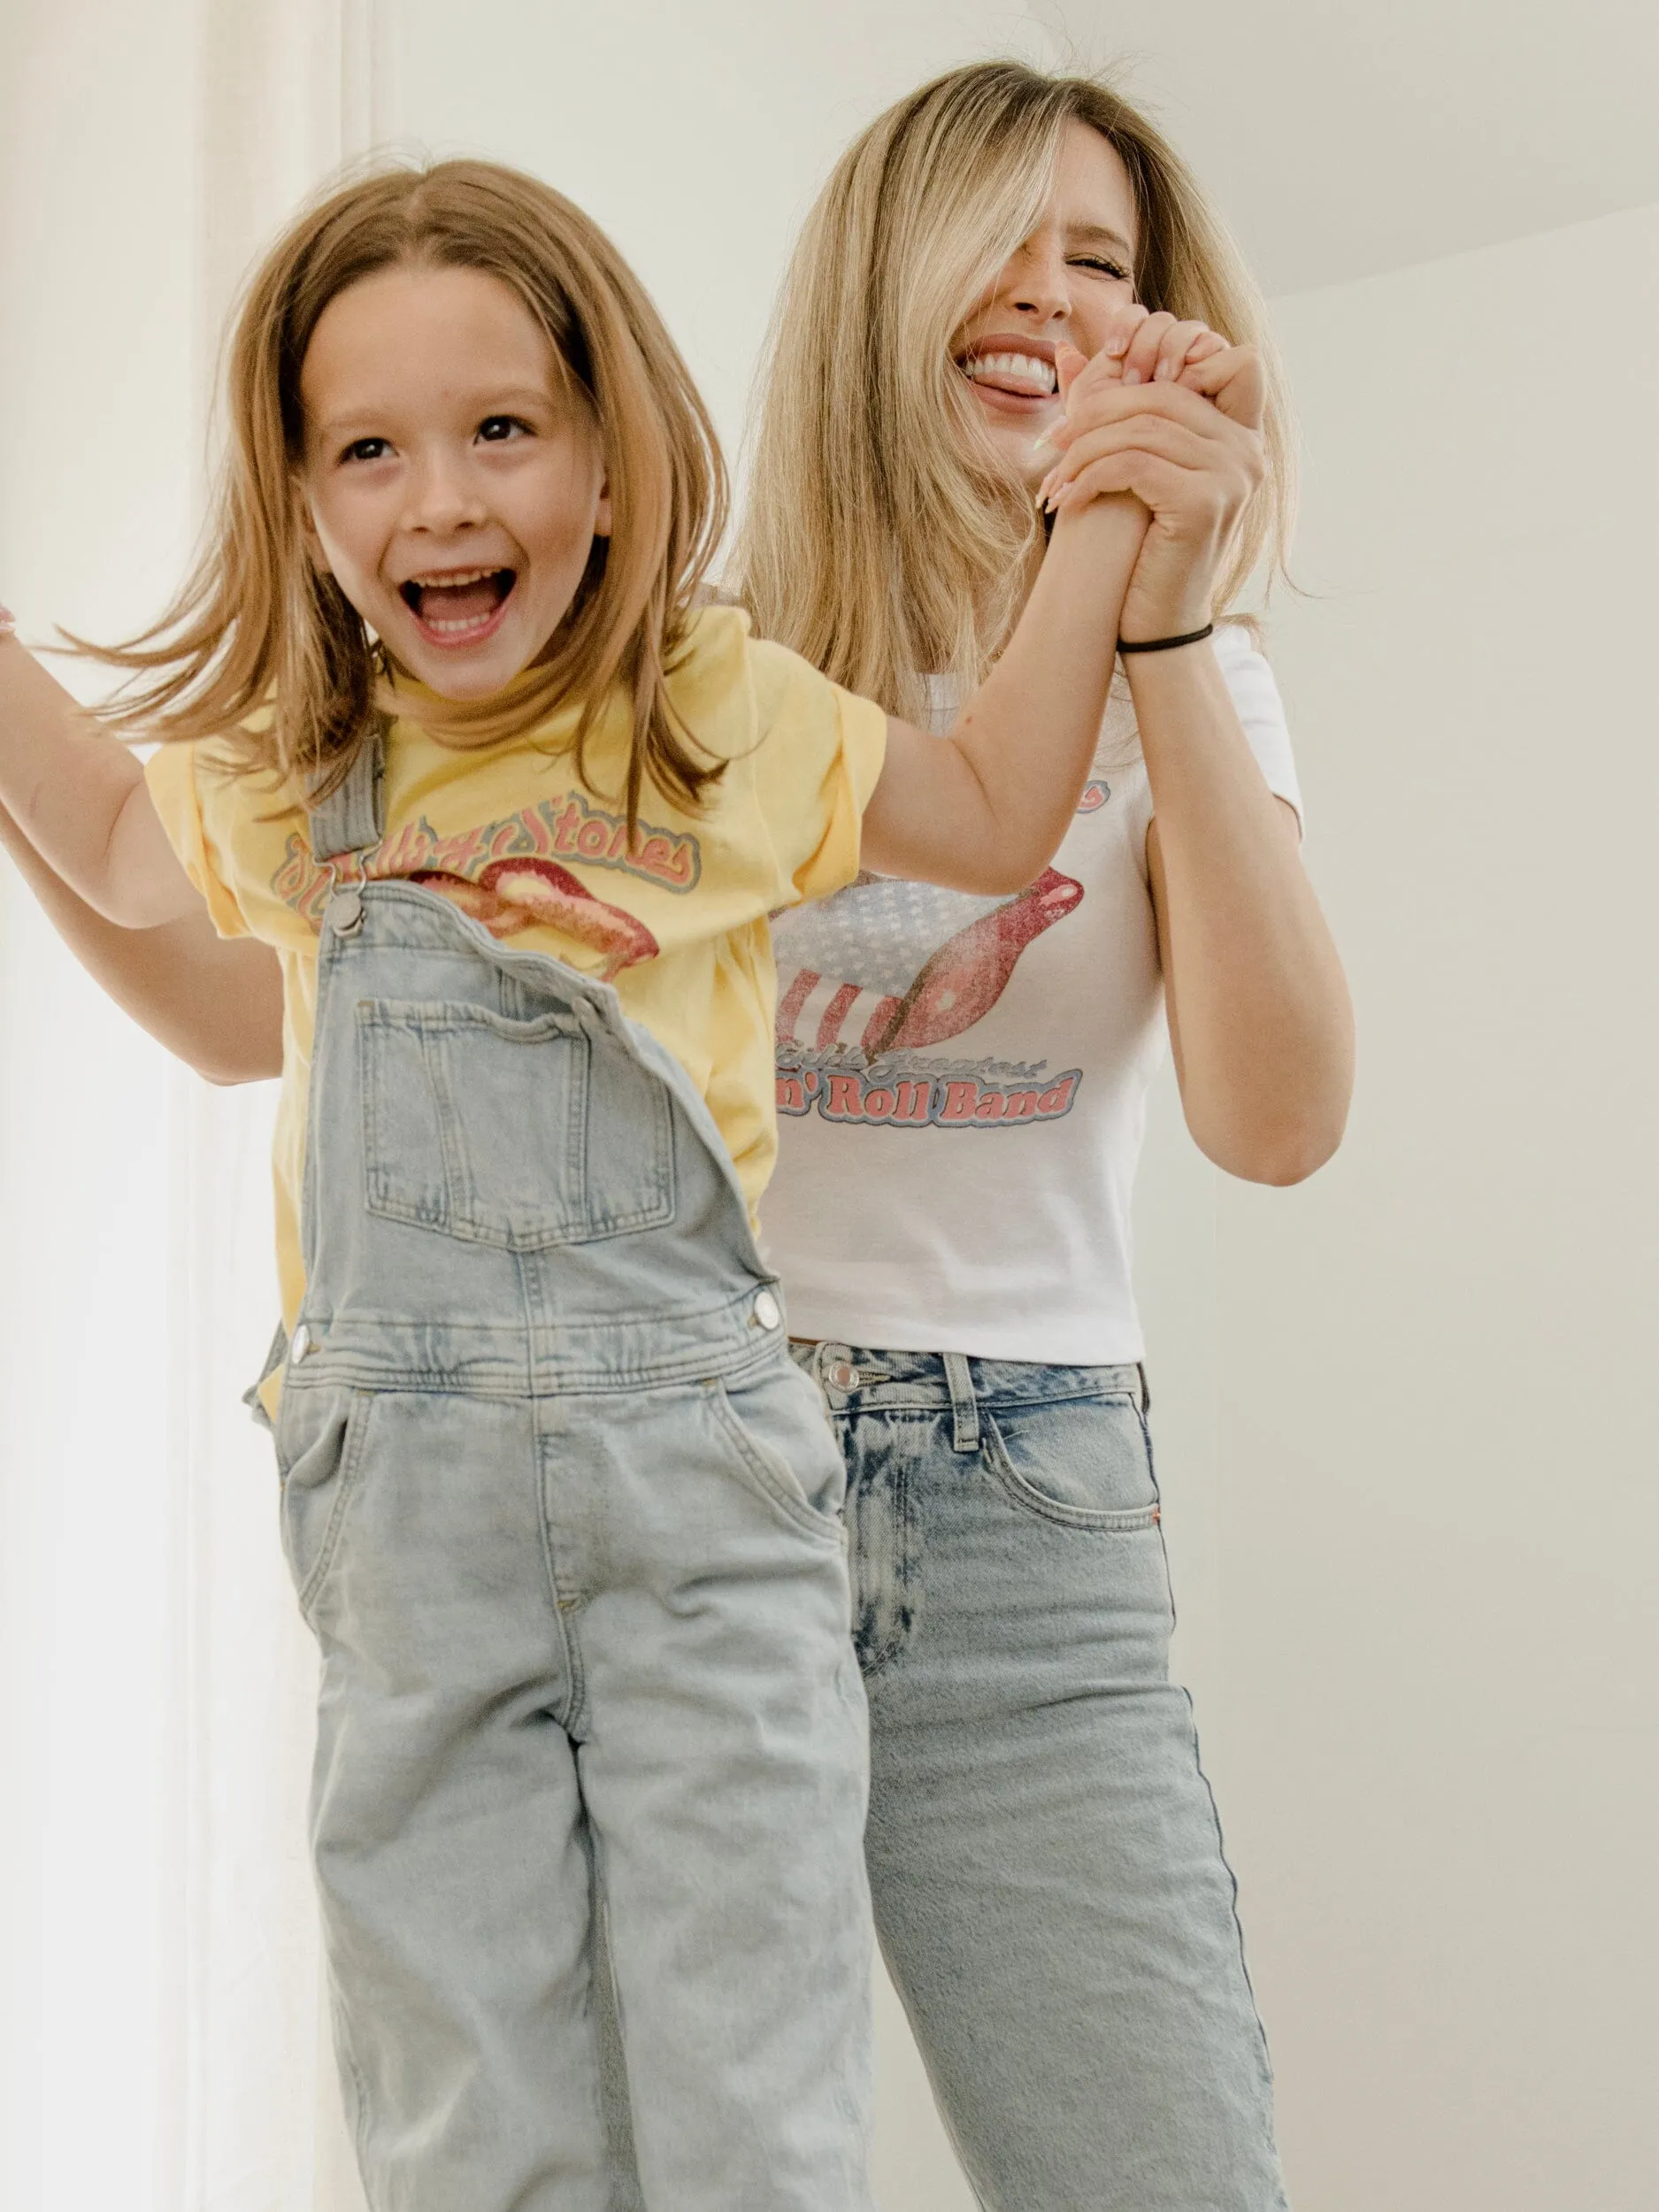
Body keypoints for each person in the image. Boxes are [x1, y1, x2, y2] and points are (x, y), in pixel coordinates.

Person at [0, 156, 1177, 2210]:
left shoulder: (711, 719)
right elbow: (104, 841)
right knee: (467, 2110)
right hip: (409, 1532)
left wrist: (1098, 524)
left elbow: (992, 813)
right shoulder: (300, 772)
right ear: (304, 509)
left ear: (614, 470)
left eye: (501, 431)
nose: (438, 497)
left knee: (749, 2091)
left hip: (698, 1503)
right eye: (365, 448)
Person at [733, 61, 1354, 2212]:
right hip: (700, 1474)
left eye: (1102, 265)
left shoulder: (1206, 677)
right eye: (999, 241)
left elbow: (1274, 1120)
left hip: (1031, 1504)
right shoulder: (711, 668)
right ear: (878, 285)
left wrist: (1161, 614)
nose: (1046, 298)